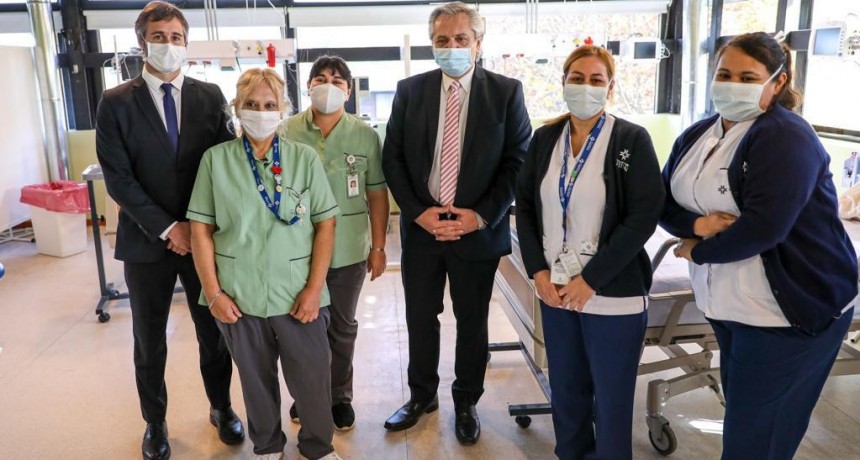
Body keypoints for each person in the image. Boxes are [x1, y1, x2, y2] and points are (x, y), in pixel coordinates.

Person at [661, 32, 858, 460]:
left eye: (748, 77)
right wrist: (698, 224)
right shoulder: (698, 134)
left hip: (788, 311)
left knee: (755, 439)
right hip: (728, 306)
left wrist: (697, 250)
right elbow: (662, 201)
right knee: (746, 421)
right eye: (724, 74)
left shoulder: (786, 136)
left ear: (778, 81)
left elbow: (764, 228)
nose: (732, 85)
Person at [95, 2, 243, 458]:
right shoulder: (116, 102)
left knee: (214, 332)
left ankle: (221, 407)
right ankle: (155, 422)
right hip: (146, 242)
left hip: (203, 240)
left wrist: (197, 227)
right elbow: (119, 179)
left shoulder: (209, 96)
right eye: (158, 36)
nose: (168, 44)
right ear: (142, 42)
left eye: (176, 37)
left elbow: (226, 164)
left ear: (186, 42)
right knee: (149, 339)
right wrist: (167, 228)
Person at [381, 1, 531, 445]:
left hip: (477, 231)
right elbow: (393, 158)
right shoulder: (410, 91)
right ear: (432, 44)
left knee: (472, 321)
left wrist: (480, 215)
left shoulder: (506, 92)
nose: (451, 47)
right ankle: (421, 396)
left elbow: (517, 160)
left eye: (461, 39)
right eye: (442, 40)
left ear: (478, 43)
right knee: (419, 316)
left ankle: (466, 401)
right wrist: (418, 212)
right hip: (423, 228)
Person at [515, 45, 664, 459]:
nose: (585, 87)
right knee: (566, 390)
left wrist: (591, 280)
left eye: (596, 80)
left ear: (610, 88)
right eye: (577, 78)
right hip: (556, 289)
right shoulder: (545, 139)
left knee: (612, 399)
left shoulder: (630, 139)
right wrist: (538, 271)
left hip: (611, 293)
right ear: (563, 83)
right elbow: (524, 206)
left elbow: (643, 217)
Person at [187, 68, 343, 460]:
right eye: (252, 104)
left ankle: (318, 446)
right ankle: (268, 446)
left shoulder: (303, 158)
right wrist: (214, 294)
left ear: (283, 110)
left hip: (297, 291)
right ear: (237, 108)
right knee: (255, 379)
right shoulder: (215, 161)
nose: (260, 112)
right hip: (238, 294)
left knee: (312, 376)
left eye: (270, 105)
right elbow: (200, 230)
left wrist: (314, 289)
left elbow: (325, 224)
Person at [284, 55, 389, 431]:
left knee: (341, 327)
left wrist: (378, 247)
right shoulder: (285, 131)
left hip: (347, 249)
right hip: (296, 250)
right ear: (308, 86)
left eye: (337, 80)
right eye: (320, 78)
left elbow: (376, 194)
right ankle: (306, 395)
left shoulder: (364, 135)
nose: (328, 85)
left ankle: (339, 397)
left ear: (348, 90)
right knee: (301, 327)